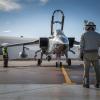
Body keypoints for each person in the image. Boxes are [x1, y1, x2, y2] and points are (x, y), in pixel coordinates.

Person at [80, 21, 100, 88]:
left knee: (86, 71)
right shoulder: (98, 35)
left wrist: (81, 55)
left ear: (87, 27)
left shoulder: (83, 35)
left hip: (87, 55)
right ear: (93, 27)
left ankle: (86, 84)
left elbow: (81, 46)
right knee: (97, 70)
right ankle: (98, 83)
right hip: (95, 54)